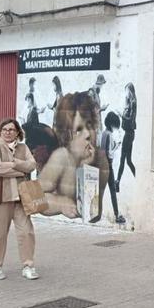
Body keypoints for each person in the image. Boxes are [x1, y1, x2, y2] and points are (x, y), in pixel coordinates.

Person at [38, 91, 110, 220]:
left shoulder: (101, 160)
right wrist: (60, 204)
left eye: (90, 125)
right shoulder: (61, 157)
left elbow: (93, 214)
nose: (88, 134)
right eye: (79, 129)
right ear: (66, 136)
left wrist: (86, 171)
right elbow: (32, 198)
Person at [0, 118, 39, 281]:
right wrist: (20, 170)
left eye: (12, 130)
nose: (8, 132)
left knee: (26, 232)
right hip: (1, 197)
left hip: (22, 197)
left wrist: (13, 164)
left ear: (18, 132)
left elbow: (32, 165)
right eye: (5, 129)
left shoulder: (23, 147)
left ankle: (28, 266)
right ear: (0, 131)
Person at [100, 112, 126, 224]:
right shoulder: (109, 135)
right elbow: (110, 153)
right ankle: (117, 216)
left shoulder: (104, 133)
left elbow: (103, 149)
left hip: (102, 164)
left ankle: (96, 213)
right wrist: (116, 146)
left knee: (101, 191)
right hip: (108, 165)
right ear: (112, 123)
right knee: (113, 191)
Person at [116, 83, 137, 189]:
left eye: (127, 91)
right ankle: (138, 178)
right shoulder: (129, 102)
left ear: (130, 91)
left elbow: (131, 119)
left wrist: (121, 115)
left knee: (123, 158)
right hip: (128, 133)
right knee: (128, 161)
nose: (126, 93)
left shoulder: (133, 103)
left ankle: (117, 182)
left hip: (129, 134)